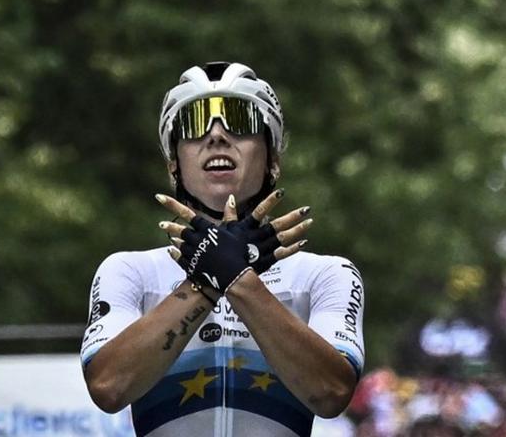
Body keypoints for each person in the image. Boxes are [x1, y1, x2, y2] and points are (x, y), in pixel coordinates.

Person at [81, 61, 365, 436]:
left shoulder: (324, 274)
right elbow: (109, 387)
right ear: (173, 166)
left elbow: (330, 393)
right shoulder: (130, 270)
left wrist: (239, 279)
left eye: (240, 119)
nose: (216, 136)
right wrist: (208, 280)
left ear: (274, 161)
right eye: (195, 124)